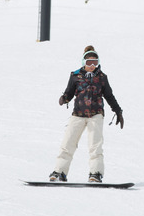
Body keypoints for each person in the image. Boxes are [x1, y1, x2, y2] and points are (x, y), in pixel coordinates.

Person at [49, 46, 124, 183]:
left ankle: (96, 173)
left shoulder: (102, 78)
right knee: (68, 143)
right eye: (89, 62)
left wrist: (118, 111)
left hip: (96, 115)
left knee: (95, 145)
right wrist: (64, 98)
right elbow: (69, 92)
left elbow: (109, 96)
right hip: (78, 114)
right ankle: (60, 171)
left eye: (95, 62)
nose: (92, 65)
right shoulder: (75, 76)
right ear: (83, 62)